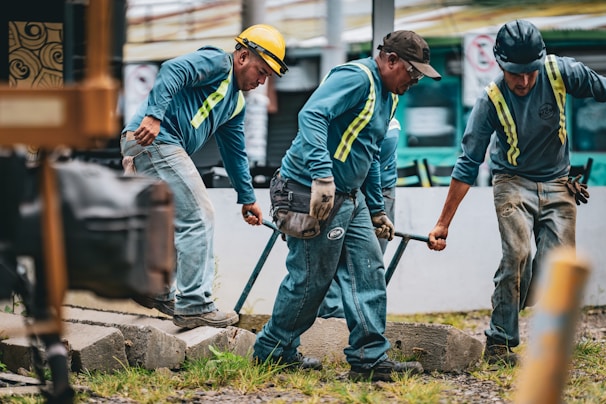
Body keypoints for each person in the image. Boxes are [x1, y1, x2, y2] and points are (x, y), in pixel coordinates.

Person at [253, 30, 441, 381]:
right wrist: (322, 177)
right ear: (390, 60)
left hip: (349, 198)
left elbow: (367, 152)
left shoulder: (390, 95)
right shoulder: (357, 78)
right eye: (411, 72)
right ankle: (272, 351)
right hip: (309, 190)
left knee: (369, 271)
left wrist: (376, 209)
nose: (414, 80)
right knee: (311, 280)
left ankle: (370, 359)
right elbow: (311, 115)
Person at [427, 19, 601, 365]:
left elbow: (602, 88)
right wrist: (443, 223)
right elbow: (467, 163)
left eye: (529, 73)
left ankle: (552, 343)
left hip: (558, 182)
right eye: (514, 73)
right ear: (499, 64)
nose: (522, 81)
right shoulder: (490, 101)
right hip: (511, 182)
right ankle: (499, 343)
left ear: (541, 62)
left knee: (558, 266)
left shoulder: (561, 72)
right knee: (517, 255)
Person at [120, 24, 289, 329]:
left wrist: (248, 198)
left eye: (268, 77)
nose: (262, 81)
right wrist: (154, 115)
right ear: (242, 56)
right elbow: (173, 69)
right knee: (199, 216)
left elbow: (235, 152)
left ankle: (156, 289)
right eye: (261, 71)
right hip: (154, 140)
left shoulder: (235, 103)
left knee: (175, 217)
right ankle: (195, 303)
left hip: (153, 145)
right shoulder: (218, 63)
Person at [318, 118, 401, 319]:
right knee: (330, 258)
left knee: (368, 264)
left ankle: (362, 324)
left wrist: (377, 210)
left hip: (375, 190)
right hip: (340, 187)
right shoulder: (331, 115)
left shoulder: (387, 127)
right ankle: (333, 321)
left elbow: (371, 165)